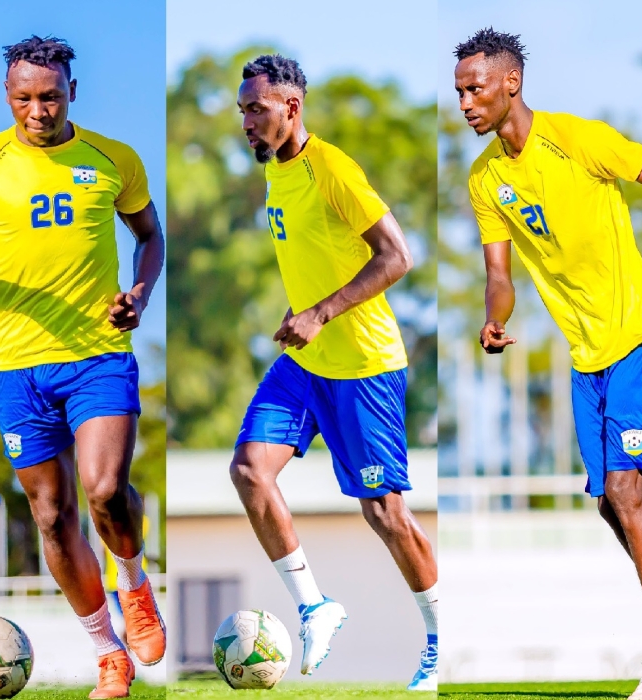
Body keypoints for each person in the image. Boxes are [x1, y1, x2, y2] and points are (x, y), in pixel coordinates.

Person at [0, 35, 166, 700]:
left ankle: (134, 584)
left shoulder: (113, 158)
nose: (37, 111)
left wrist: (139, 293)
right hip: (16, 367)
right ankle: (107, 652)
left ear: (72, 92)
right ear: (6, 96)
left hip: (97, 354)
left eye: (50, 97)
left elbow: (150, 235)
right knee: (50, 514)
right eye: (24, 99)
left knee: (103, 489)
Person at [456, 27, 642, 700]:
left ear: (510, 84)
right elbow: (499, 276)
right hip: (587, 357)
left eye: (475, 89)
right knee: (610, 505)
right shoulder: (484, 179)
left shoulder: (578, 139)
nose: (465, 103)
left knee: (624, 490)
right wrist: (495, 317)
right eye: (459, 92)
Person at [229, 54, 439, 690]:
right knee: (249, 470)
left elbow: (397, 256)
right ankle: (315, 607)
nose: (246, 121)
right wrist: (303, 311)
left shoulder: (333, 167)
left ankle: (440, 640)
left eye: (257, 109)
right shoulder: (276, 173)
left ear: (291, 108)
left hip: (363, 367)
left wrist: (321, 312)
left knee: (385, 513)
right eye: (242, 110)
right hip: (304, 364)